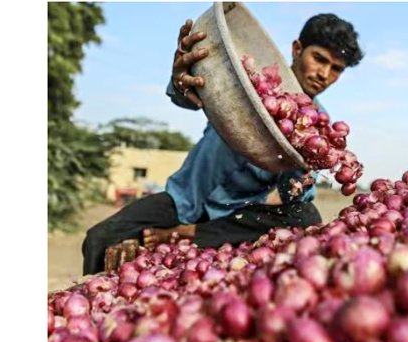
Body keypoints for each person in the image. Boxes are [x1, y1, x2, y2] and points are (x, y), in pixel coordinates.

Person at [82, 12, 364, 275]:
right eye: (319, 59)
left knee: (306, 215)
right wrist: (182, 80)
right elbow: (194, 93)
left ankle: (190, 233)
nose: (324, 74)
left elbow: (294, 197)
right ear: (297, 49)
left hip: (238, 215)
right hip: (186, 199)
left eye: (336, 69)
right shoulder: (251, 82)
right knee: (99, 238)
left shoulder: (319, 129)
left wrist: (303, 170)